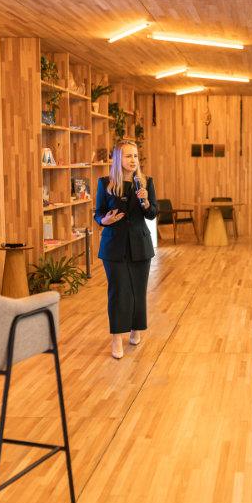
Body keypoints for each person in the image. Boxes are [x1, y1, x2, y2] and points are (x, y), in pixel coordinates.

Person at [94, 140, 158, 359]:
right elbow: (98, 213)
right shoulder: (105, 183)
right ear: (118, 159)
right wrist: (104, 220)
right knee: (119, 291)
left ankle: (135, 328)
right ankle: (116, 338)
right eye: (128, 156)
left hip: (140, 245)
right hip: (114, 246)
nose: (133, 160)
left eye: (135, 156)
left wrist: (146, 202)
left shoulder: (146, 182)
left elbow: (152, 214)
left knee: (138, 290)